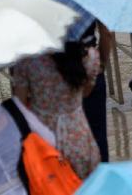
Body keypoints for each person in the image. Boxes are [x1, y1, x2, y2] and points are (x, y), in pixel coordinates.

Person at [12, 41, 101, 178]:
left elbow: (20, 106)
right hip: (79, 138)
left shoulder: (27, 62)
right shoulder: (89, 57)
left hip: (45, 142)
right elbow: (85, 93)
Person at [81, 21, 114, 162]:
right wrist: (101, 64)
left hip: (57, 69)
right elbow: (107, 32)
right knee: (97, 134)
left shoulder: (48, 0)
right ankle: (103, 178)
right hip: (89, 64)